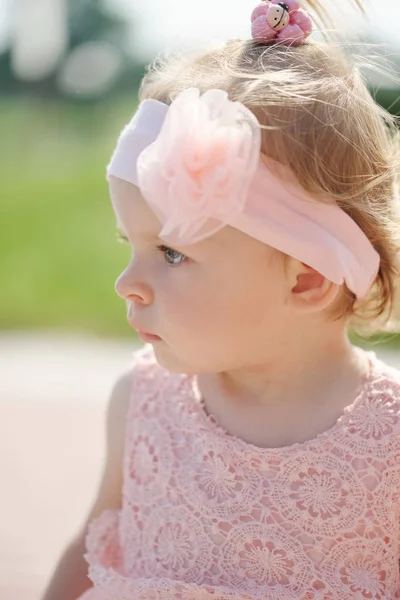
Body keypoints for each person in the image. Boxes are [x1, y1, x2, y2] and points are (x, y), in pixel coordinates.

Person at [42, 0, 400, 598]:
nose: (125, 283)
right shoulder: (141, 404)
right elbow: (93, 548)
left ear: (307, 276)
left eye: (172, 253)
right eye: (130, 245)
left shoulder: (389, 441)